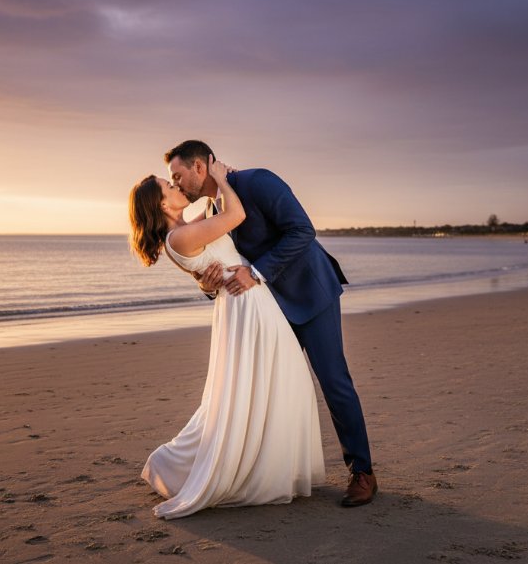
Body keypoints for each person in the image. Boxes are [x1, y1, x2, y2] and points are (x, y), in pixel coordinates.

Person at [166, 140, 377, 507]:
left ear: (200, 167)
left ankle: (362, 472)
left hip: (310, 294)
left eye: (178, 176)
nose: (177, 184)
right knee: (273, 388)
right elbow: (216, 263)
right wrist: (208, 283)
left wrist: (256, 273)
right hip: (267, 309)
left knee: (334, 382)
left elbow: (303, 231)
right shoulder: (215, 208)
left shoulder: (257, 181)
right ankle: (276, 470)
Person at [129, 156, 325, 519]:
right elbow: (236, 216)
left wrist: (214, 188)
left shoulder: (183, 230)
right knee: (271, 381)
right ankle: (240, 468)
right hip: (245, 304)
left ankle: (201, 462)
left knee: (268, 383)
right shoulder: (180, 236)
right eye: (169, 186)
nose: (176, 186)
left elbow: (212, 222)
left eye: (175, 180)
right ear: (162, 205)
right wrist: (220, 177)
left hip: (246, 302)